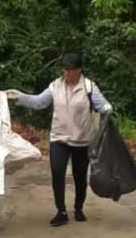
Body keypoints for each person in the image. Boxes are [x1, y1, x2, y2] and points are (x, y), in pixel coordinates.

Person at [7, 53, 114, 227]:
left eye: (70, 69)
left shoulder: (89, 87)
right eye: (64, 69)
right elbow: (39, 102)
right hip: (59, 139)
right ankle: (61, 211)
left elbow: (103, 106)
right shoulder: (55, 86)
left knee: (80, 177)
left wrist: (107, 109)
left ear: (79, 70)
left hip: (81, 140)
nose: (66, 73)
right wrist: (19, 97)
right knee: (57, 174)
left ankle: (78, 208)